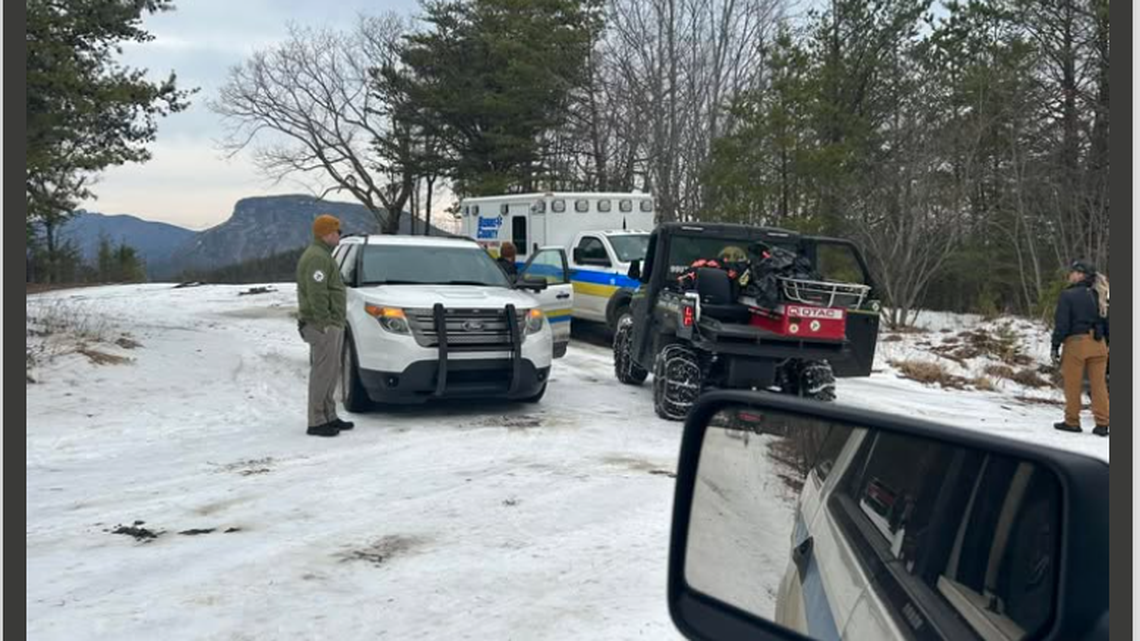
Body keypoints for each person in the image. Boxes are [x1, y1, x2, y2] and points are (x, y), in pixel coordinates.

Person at [296, 214, 354, 437]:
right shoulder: (317, 258)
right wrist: (324, 322)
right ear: (326, 233)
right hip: (323, 324)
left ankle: (329, 414)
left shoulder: (324, 255)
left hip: (333, 322)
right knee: (322, 372)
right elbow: (317, 292)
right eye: (336, 232)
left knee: (330, 372)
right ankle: (317, 420)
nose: (339, 235)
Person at [1051, 260, 1109, 436]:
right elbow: (1108, 322)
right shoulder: (1099, 294)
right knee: (1099, 385)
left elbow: (1062, 324)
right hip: (1099, 344)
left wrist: (1055, 344)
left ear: (1080, 274)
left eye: (1073, 272)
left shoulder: (1068, 295)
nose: (1070, 275)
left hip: (1077, 342)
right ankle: (1102, 424)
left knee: (1072, 384)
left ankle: (1072, 421)